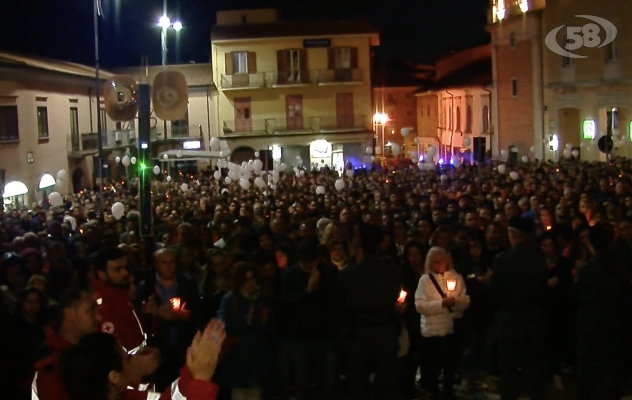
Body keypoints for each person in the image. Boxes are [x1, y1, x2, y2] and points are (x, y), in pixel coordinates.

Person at [59, 320, 226, 400]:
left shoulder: (127, 396)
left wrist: (192, 369)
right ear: (114, 378)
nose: (134, 359)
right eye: (127, 359)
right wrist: (202, 382)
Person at [338, 223, 402, 400]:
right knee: (388, 384)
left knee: (358, 384)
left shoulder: (349, 274)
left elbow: (340, 305)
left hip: (358, 335)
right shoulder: (392, 272)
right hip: (386, 333)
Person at [490, 217, 549, 400]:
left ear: (512, 234)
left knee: (509, 372)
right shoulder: (539, 257)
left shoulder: (504, 260)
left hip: (510, 322)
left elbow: (495, 293)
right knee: (535, 370)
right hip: (534, 320)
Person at [571, 225, 628, 400]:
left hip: (591, 322)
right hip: (616, 322)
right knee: (612, 369)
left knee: (587, 369)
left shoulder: (589, 269)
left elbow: (574, 295)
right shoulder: (620, 268)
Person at [415, 246, 469, 400]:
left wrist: (455, 302)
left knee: (449, 367)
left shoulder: (456, 277)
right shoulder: (425, 281)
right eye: (435, 262)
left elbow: (465, 301)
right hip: (431, 332)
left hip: (449, 330)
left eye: (441, 261)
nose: (438, 265)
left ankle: (448, 393)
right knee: (432, 368)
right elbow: (420, 306)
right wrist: (441, 304)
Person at [33, 286, 102, 400]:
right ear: (70, 314)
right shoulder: (49, 364)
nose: (99, 317)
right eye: (91, 311)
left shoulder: (93, 348)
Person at [93, 248, 146, 355]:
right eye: (117, 270)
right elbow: (114, 350)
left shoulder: (123, 298)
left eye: (125, 267)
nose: (125, 273)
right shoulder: (102, 308)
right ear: (101, 274)